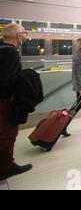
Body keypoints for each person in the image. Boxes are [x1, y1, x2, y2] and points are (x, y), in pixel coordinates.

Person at [0, 23, 33, 180]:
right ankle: (6, 166)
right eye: (23, 33)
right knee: (8, 133)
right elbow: (7, 79)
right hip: (4, 100)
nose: (25, 36)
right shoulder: (11, 53)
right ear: (17, 36)